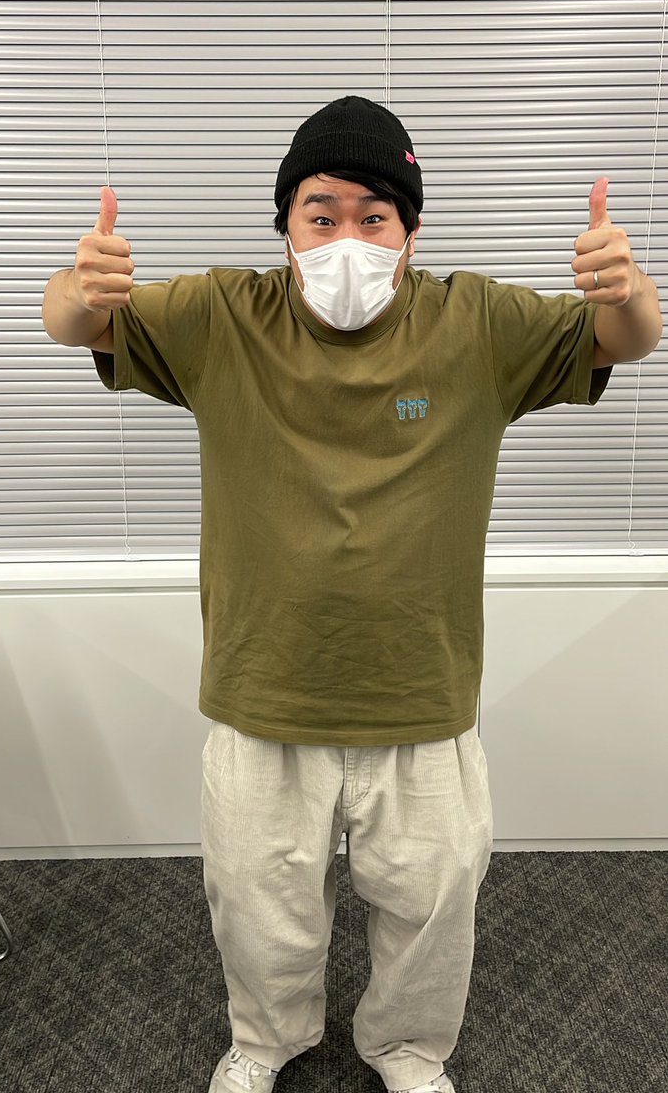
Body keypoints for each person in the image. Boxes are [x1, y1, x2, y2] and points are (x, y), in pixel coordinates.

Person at [42, 96, 663, 1093]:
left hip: (419, 689)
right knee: (258, 904)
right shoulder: (224, 317)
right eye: (320, 214)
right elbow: (78, 322)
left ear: (410, 232)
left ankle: (408, 1047)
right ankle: (264, 1038)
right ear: (285, 226)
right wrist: (79, 289)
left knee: (433, 902)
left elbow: (623, 340)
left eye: (375, 217)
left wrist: (627, 293)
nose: (347, 239)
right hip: (264, 686)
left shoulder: (477, 323)